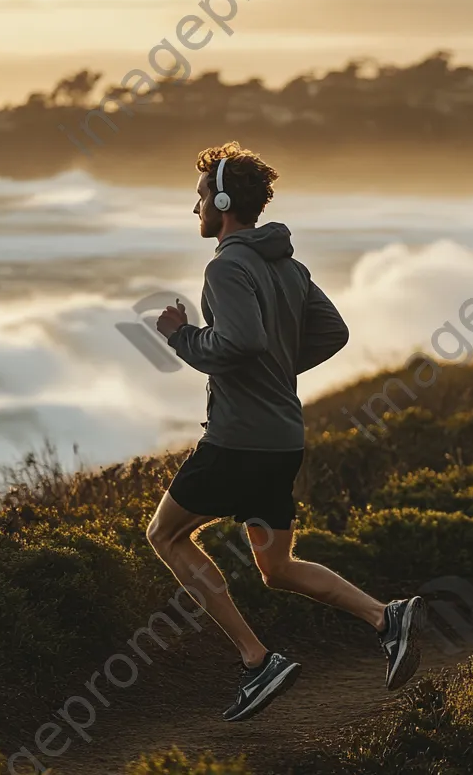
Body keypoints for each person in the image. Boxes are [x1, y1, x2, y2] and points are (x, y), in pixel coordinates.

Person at [147, 141, 425, 722]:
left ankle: (257, 661)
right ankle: (386, 617)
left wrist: (180, 336)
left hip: (237, 440)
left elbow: (239, 343)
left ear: (222, 202)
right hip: (281, 441)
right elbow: (333, 333)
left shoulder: (225, 265)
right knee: (276, 569)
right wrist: (276, 372)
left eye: (200, 196)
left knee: (165, 536)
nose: (195, 207)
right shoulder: (288, 265)